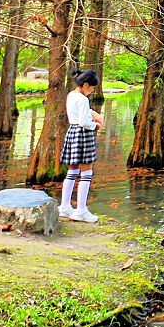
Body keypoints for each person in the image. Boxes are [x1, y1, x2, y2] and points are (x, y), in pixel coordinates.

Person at [58, 69, 104, 223]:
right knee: (86, 172)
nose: (91, 91)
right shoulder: (83, 99)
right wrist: (96, 125)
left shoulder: (71, 95)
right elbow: (84, 122)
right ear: (85, 85)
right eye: (91, 88)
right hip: (83, 133)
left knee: (72, 170)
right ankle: (81, 210)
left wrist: (93, 113)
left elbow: (80, 112)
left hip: (72, 132)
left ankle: (65, 206)